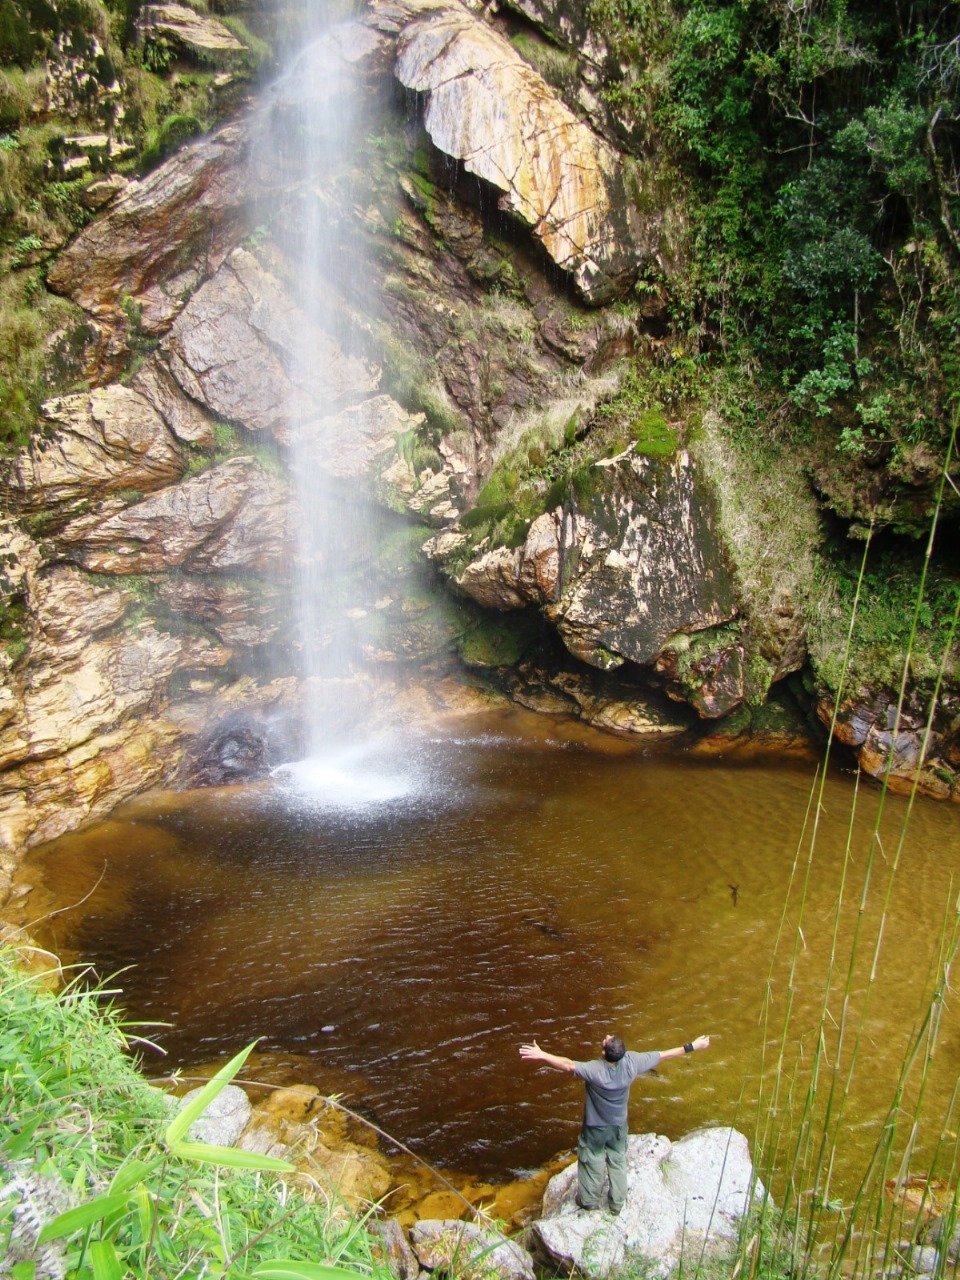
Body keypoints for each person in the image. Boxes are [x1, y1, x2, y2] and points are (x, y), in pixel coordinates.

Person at [519, 1031, 711, 1214]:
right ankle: (617, 1203)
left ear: (604, 1053)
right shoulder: (632, 1062)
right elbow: (664, 1055)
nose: (607, 1036)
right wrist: (693, 1045)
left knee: (591, 1159)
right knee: (618, 1159)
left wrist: (542, 1054)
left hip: (595, 1127)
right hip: (619, 1125)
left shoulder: (595, 1070)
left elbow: (568, 1065)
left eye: (607, 1040)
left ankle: (589, 1201)